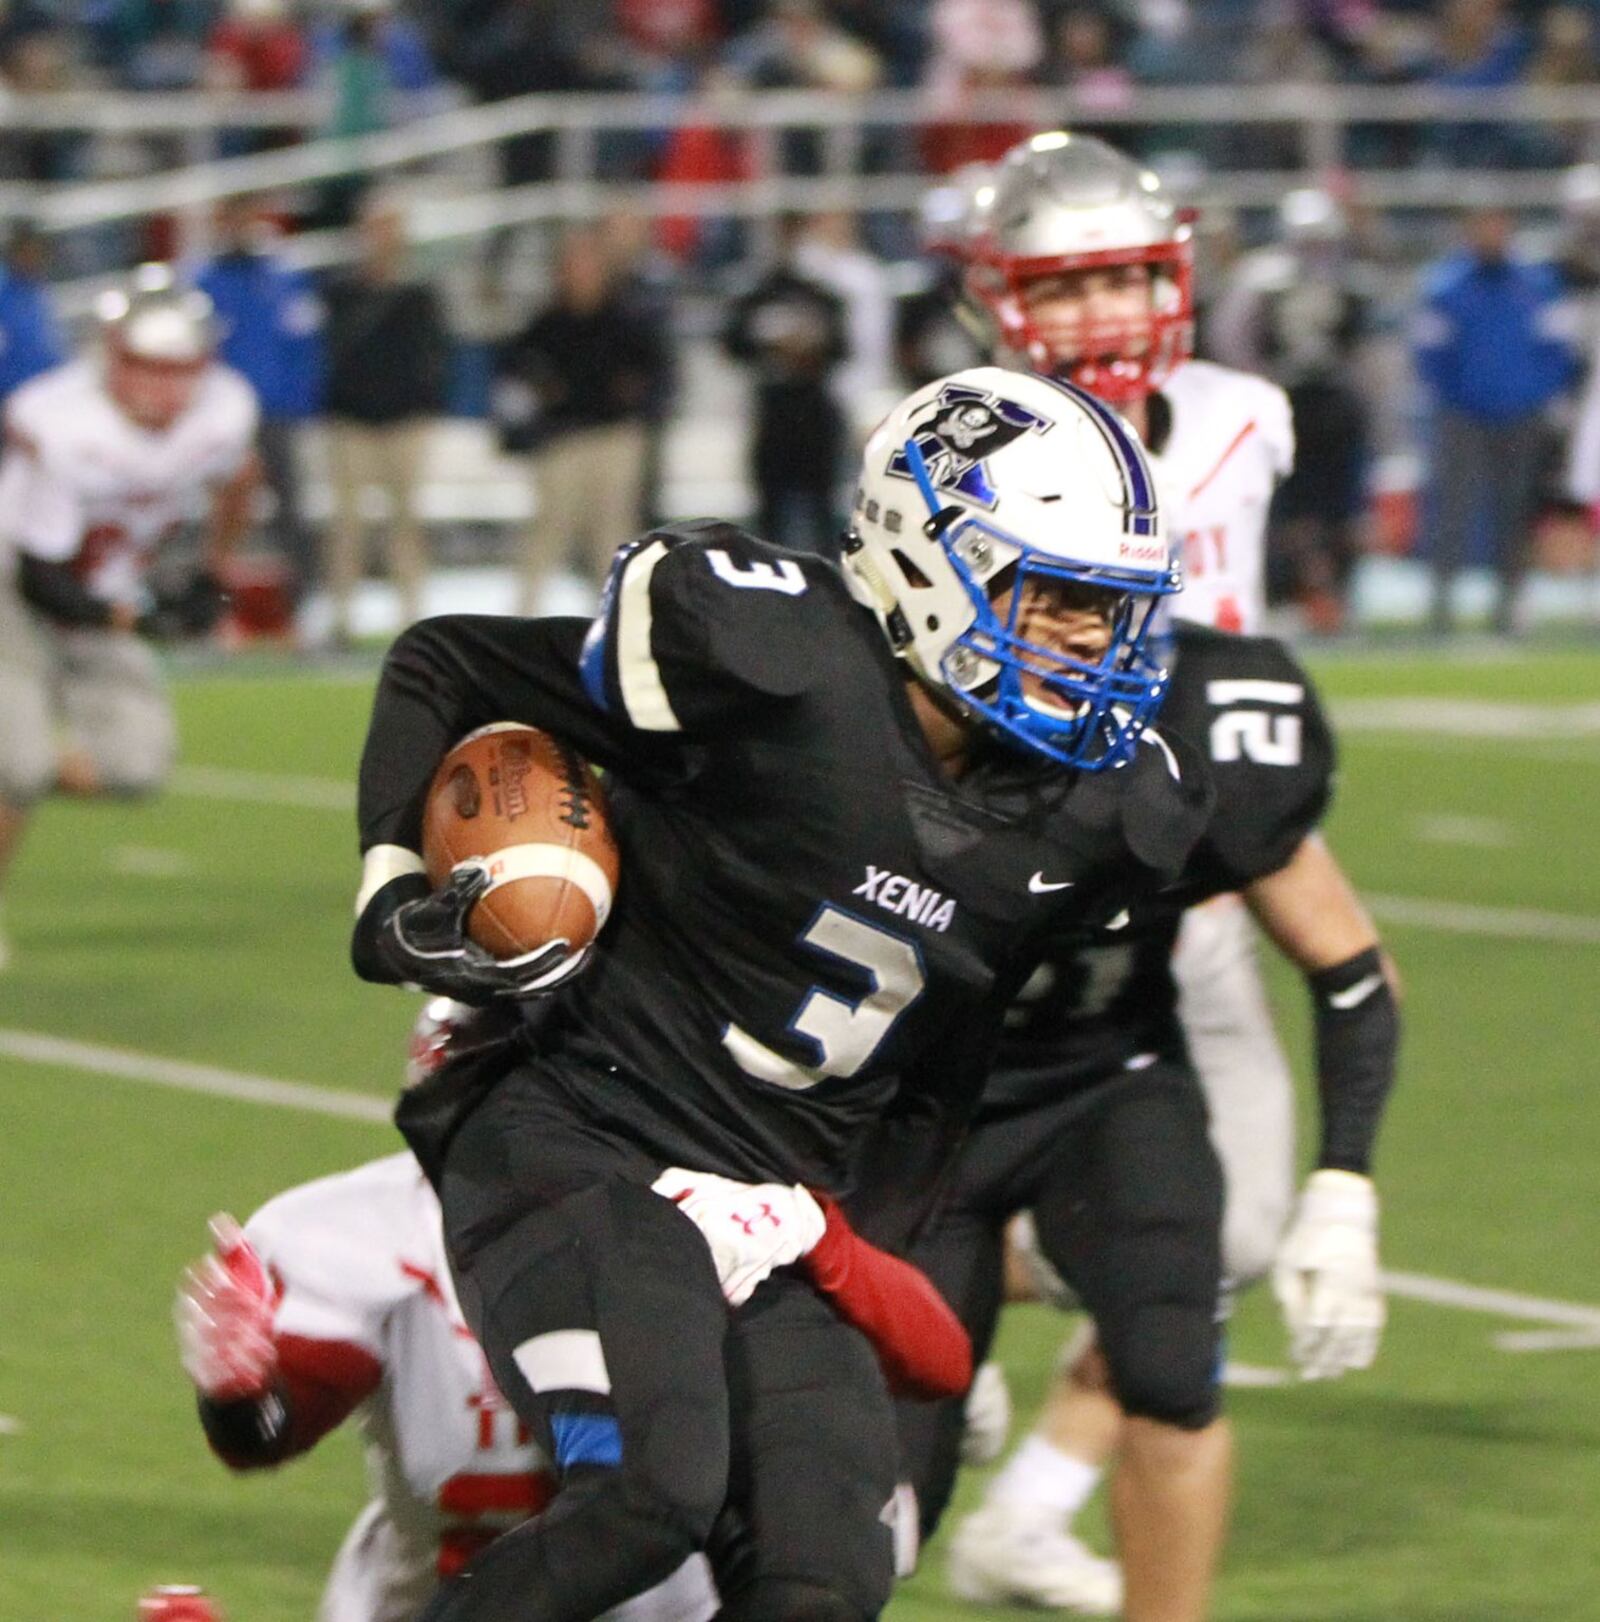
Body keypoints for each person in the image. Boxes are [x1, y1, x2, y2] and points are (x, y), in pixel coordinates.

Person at [347, 363, 1213, 1620]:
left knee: (831, 1574)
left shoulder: (1101, 815)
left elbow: (943, 1054)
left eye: (1113, 606)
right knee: (650, 1496)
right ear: (927, 557)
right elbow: (446, 659)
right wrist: (388, 893)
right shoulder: (772, 659)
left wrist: (872, 1251)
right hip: (584, 1133)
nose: (1092, 637)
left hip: (774, 1204)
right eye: (1063, 594)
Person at [934, 131, 1307, 1614]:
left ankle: (1023, 1506)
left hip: (1192, 892)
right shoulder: (956, 438)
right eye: (1065, 280)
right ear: (999, 296)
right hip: (1016, 902)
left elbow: (1242, 655)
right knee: (1166, 1230)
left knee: (1248, 1230)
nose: (1100, 309)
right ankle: (932, 1296)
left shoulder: (1242, 422)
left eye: (1124, 274)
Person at [173, 998, 976, 1622]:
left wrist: (814, 1232)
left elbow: (939, 1359)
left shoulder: (706, 1198)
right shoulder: (364, 1225)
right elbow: (269, 1434)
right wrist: (240, 1395)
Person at [902, 620, 1400, 1622]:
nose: (1078, 634)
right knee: (879, 1482)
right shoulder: (887, 718)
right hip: (919, 1106)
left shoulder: (1195, 719)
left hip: (1108, 1076)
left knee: (1171, 1363)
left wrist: (1344, 1181)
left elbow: (1347, 968)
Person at [0, 265, 258, 972]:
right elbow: (42, 577)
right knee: (17, 766)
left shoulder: (224, 409)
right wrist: (137, 616)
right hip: (16, 586)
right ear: (109, 357)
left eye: (178, 369)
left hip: (105, 589)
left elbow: (238, 478)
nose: (161, 387)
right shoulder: (60, 422)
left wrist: (214, 569)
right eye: (144, 366)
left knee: (137, 764)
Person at [1412, 203, 1579, 636]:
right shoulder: (1446, 286)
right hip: (1462, 415)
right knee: (1453, 510)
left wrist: (1533, 396)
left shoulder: (1537, 284)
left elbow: (1559, 351)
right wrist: (1458, 397)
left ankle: (1508, 606)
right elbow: (1429, 354)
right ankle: (1441, 606)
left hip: (1521, 415)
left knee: (1515, 511)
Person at [492, 227, 670, 611]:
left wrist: (636, 399)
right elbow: (517, 370)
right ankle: (523, 619)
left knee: (611, 535)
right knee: (548, 531)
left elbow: (653, 373)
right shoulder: (548, 323)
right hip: (563, 438)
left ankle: (614, 621)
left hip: (614, 436)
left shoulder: (626, 318)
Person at [320, 194, 448, 646]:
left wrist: (424, 406)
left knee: (405, 522)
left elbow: (436, 357)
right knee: (347, 525)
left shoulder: (418, 296)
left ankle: (412, 616)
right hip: (352, 420)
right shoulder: (341, 293)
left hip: (404, 422)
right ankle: (341, 616)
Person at [194, 195, 324, 607]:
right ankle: (208, 605)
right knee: (223, 515)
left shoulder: (283, 277)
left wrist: (301, 405)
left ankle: (304, 604)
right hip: (221, 421)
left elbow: (303, 347)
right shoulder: (204, 282)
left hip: (275, 414)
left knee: (290, 509)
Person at [721, 215, 851, 555]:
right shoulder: (759, 295)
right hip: (774, 412)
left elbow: (842, 348)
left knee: (822, 513)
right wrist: (773, 348)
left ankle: (826, 589)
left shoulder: (822, 297)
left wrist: (807, 349)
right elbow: (732, 344)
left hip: (813, 414)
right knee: (769, 517)